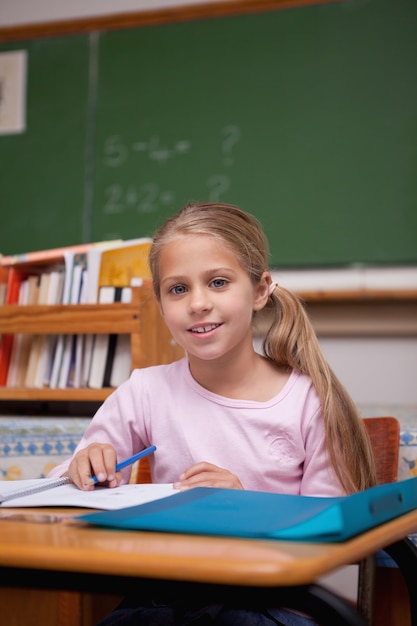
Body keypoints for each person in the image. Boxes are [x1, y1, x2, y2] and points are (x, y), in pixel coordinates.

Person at [49, 201, 376, 625]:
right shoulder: (145, 390)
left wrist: (246, 511)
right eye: (178, 289)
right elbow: (68, 494)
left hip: (272, 603)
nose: (197, 303)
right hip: (167, 597)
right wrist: (82, 467)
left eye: (218, 282)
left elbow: (332, 537)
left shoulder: (309, 400)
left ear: (260, 291)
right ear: (161, 301)